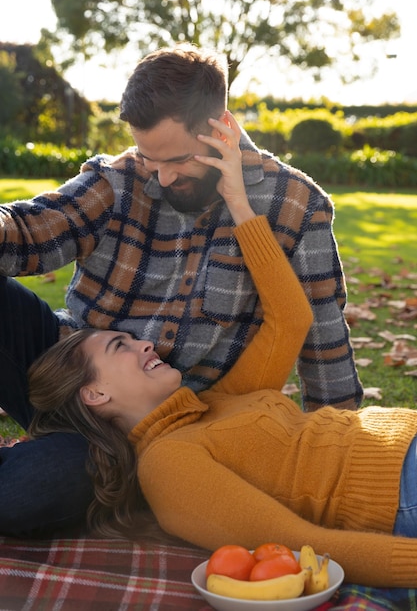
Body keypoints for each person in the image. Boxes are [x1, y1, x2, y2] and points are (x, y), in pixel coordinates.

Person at [0, 43, 362, 536]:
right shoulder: (121, 179)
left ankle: (49, 461)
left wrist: (337, 456)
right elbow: (29, 231)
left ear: (221, 128)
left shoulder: (296, 205)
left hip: (152, 433)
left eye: (176, 160)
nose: (162, 176)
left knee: (33, 489)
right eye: (150, 159)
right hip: (71, 371)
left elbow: (322, 341)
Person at [27, 179, 417, 589]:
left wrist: (238, 203)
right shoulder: (167, 468)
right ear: (95, 393)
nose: (145, 344)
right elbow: (303, 544)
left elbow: (290, 320)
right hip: (401, 486)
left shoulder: (216, 401)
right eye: (120, 345)